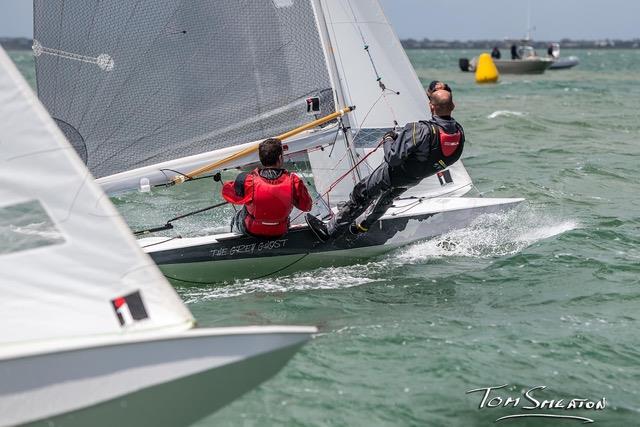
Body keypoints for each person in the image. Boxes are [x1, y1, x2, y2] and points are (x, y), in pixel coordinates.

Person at [308, 87, 464, 240]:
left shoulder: (418, 129)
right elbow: (451, 158)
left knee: (362, 194)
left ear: (431, 106)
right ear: (453, 106)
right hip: (414, 179)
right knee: (386, 199)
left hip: (391, 175)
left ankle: (330, 231)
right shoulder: (459, 132)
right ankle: (363, 226)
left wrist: (388, 139)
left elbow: (393, 158)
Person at [222, 138, 312, 238]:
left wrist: (240, 181)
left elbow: (227, 194)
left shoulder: (249, 180)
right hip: (280, 231)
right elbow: (307, 207)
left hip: (251, 230)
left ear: (261, 158)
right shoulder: (293, 180)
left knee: (241, 211)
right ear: (280, 157)